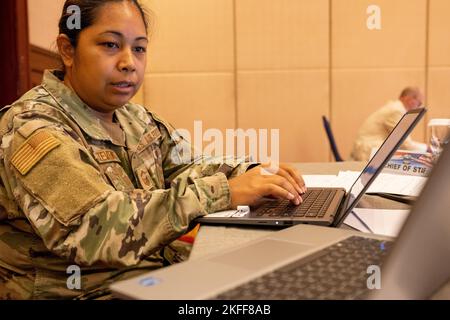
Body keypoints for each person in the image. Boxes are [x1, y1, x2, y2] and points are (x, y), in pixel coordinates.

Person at [0, 0, 306, 300]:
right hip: (87, 291)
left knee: (284, 276)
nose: (128, 62)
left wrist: (250, 173)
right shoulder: (32, 126)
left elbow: (188, 164)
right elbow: (94, 228)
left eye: (139, 48)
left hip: (152, 273)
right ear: (68, 50)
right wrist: (222, 192)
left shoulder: (134, 118)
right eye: (110, 45)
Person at [350, 87, 428, 161]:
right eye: (419, 103)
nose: (418, 106)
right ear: (409, 98)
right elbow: (405, 144)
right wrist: (428, 149)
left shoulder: (394, 107)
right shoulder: (396, 111)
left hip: (367, 149)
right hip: (368, 152)